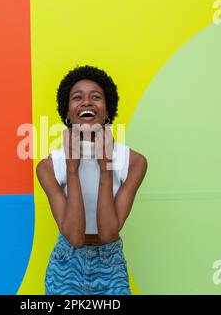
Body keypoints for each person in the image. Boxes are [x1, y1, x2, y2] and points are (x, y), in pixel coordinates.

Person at [36, 65, 148, 295]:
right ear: (67, 113)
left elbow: (108, 233)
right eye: (77, 97)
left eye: (95, 97)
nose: (86, 102)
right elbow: (75, 238)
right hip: (66, 265)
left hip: (110, 264)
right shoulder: (48, 167)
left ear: (108, 111)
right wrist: (72, 170)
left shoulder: (134, 163)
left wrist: (106, 167)